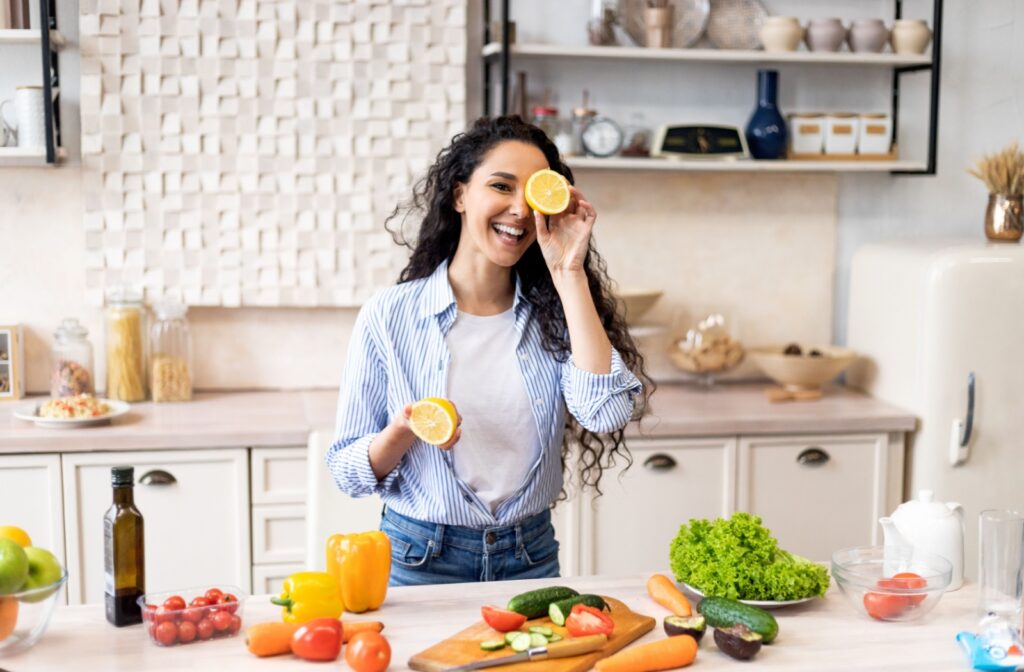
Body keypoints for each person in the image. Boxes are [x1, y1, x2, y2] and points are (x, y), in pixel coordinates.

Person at [327, 115, 653, 586]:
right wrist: (401, 432)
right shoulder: (390, 315)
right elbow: (346, 471)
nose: (520, 209)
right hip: (419, 558)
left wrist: (570, 273)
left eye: (534, 193)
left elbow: (605, 413)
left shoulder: (558, 313)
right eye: (501, 186)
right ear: (460, 195)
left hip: (531, 557)